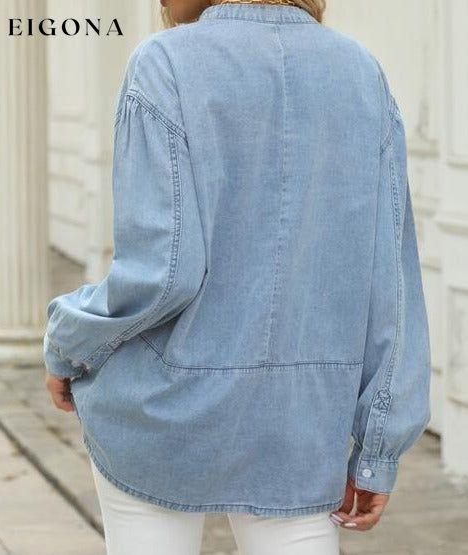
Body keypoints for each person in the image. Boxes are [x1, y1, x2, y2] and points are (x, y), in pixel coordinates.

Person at [43, 1, 431, 553]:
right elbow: (390, 284)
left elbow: (160, 274)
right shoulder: (361, 72)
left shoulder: (164, 63)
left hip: (164, 412)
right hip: (300, 426)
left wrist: (68, 341)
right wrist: (378, 449)